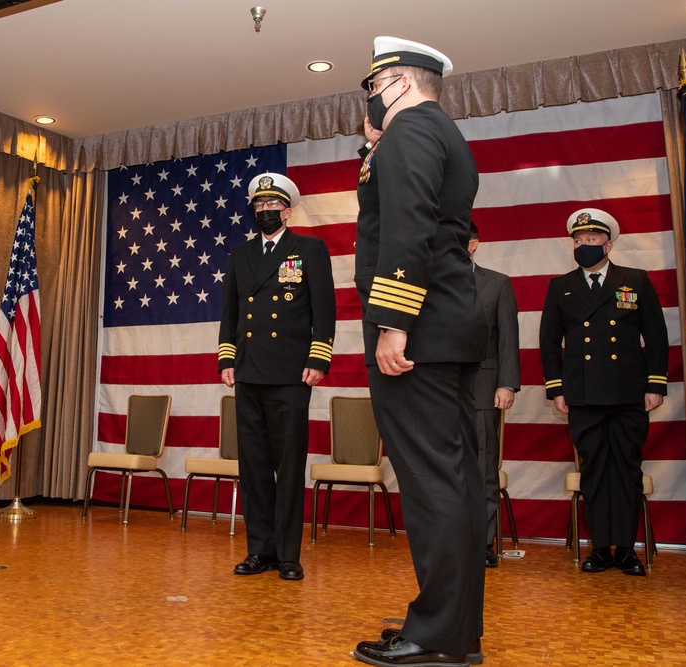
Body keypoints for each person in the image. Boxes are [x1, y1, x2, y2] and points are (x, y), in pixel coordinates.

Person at [352, 37, 488, 667]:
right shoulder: (444, 133)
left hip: (420, 331)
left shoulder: (410, 132)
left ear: (399, 84)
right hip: (450, 328)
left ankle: (438, 637)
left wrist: (392, 322)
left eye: (373, 89)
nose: (371, 102)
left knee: (432, 485)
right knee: (453, 483)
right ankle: (451, 629)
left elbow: (407, 227)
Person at [218, 172, 336, 582]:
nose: (264, 211)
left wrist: (319, 358)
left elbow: (324, 308)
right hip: (249, 372)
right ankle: (260, 551)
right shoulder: (240, 253)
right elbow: (230, 312)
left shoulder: (309, 250)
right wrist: (226, 360)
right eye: (259, 206)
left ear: (288, 210)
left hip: (290, 373)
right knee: (252, 468)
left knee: (288, 468)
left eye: (272, 206)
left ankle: (288, 554)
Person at [539, 208, 667, 577]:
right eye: (578, 242)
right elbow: (549, 343)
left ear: (608, 244)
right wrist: (556, 389)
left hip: (628, 393)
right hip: (583, 394)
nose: (583, 246)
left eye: (591, 241)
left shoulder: (635, 281)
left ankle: (626, 549)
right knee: (593, 469)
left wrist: (655, 384)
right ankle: (599, 548)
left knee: (627, 468)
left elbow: (656, 337)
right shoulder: (560, 286)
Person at [468, 222, 520, 568]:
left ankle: (483, 542)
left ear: (473, 244)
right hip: (439, 392)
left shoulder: (497, 283)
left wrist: (506, 383)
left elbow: (507, 339)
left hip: (483, 389)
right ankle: (453, 540)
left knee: (483, 468)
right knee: (445, 471)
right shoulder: (430, 281)